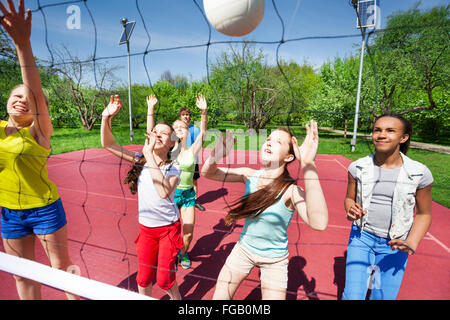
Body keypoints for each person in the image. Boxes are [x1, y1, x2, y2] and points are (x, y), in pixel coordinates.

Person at [0, 0, 78, 300]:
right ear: (6, 101)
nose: (21, 99)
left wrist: (22, 45)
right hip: (8, 213)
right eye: (15, 95)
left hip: (44, 209)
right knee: (23, 275)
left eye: (27, 98)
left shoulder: (39, 131)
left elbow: (33, 91)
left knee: (61, 270)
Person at [201, 121, 328, 300]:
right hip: (243, 250)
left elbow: (319, 223)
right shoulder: (249, 175)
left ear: (289, 157)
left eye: (278, 142)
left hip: (274, 260)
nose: (269, 142)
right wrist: (218, 153)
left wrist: (308, 164)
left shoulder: (290, 190)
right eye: (268, 139)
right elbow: (208, 173)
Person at [342, 114, 433, 300]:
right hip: (361, 238)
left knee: (382, 296)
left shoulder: (419, 173)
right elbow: (348, 199)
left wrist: (412, 242)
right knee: (352, 296)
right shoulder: (357, 167)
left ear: (404, 137)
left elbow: (424, 214)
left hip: (396, 244)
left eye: (390, 131)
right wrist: (351, 208)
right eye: (377, 130)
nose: (382, 135)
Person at [101, 95, 182, 300]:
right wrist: (106, 117)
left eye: (164, 134)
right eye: (155, 132)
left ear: (171, 144)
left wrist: (149, 158)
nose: (158, 136)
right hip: (146, 229)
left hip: (168, 230)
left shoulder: (174, 167)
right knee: (144, 278)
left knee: (164, 280)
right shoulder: (141, 159)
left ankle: (176, 298)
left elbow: (163, 193)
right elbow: (108, 144)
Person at [146, 94, 207, 269]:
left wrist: (204, 111)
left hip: (188, 194)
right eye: (177, 127)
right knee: (168, 233)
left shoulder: (192, 150)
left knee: (188, 233)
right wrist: (151, 109)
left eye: (183, 126)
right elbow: (151, 135)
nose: (180, 128)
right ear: (172, 132)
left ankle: (183, 253)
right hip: (171, 194)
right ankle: (170, 254)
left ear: (187, 131)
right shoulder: (167, 151)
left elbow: (203, 132)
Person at [179, 106, 205, 211]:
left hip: (192, 158)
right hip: (179, 158)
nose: (185, 117)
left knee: (194, 180)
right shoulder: (177, 129)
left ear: (190, 116)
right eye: (183, 114)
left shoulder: (195, 129)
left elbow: (198, 144)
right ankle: (180, 199)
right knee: (179, 179)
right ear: (180, 117)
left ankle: (194, 200)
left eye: (187, 114)